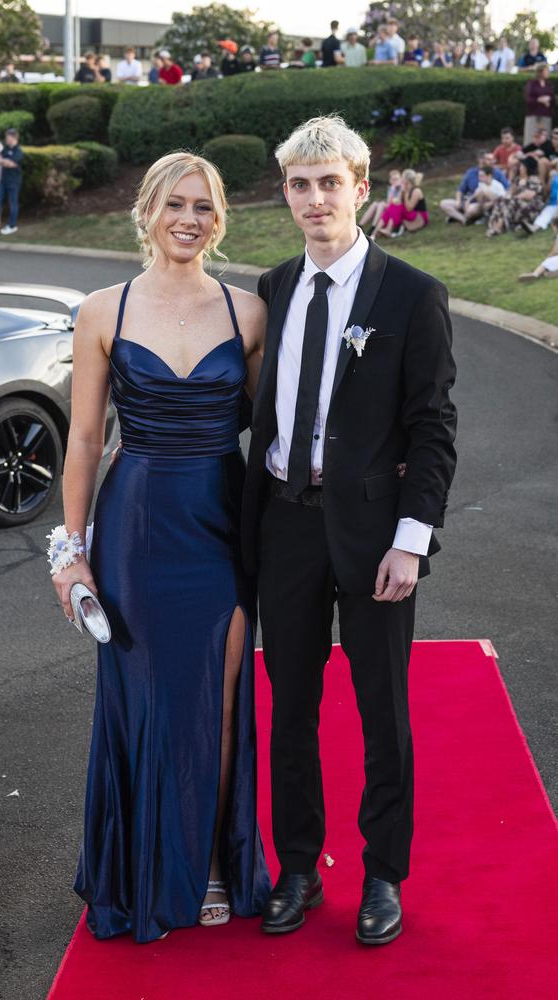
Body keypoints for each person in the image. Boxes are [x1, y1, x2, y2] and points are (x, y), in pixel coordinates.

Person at [240, 113, 457, 945]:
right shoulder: (273, 289)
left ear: (361, 191)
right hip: (286, 526)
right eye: (300, 184)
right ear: (286, 195)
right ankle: (297, 866)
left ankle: (383, 875)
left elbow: (434, 427)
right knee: (289, 706)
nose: (315, 198)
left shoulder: (412, 294)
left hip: (374, 537)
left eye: (331, 183)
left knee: (381, 712)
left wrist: (411, 537)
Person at [50, 150, 271, 942]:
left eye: (204, 206)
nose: (189, 219)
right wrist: (70, 550)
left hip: (220, 522)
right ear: (146, 211)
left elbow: (279, 425)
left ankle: (209, 861)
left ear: (219, 219)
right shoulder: (102, 310)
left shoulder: (248, 313)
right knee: (146, 703)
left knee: (217, 700)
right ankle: (144, 865)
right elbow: (82, 440)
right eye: (175, 204)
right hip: (137, 526)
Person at [439, 152, 509, 223]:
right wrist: (458, 201)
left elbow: (507, 189)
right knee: (444, 203)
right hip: (468, 202)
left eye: (492, 159)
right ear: (480, 160)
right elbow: (461, 189)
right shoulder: (471, 173)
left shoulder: (496, 172)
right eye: (488, 159)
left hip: (483, 204)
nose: (492, 162)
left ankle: (464, 216)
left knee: (471, 209)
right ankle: (463, 219)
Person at [487, 161, 544, 237]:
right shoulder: (517, 180)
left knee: (509, 202)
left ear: (527, 168)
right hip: (516, 204)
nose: (520, 168)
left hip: (530, 206)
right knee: (500, 200)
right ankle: (494, 226)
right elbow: (510, 192)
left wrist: (513, 197)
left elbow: (529, 195)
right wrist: (509, 196)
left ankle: (498, 227)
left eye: (522, 167)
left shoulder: (534, 179)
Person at [359, 168, 401, 233]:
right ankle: (360, 225)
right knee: (375, 204)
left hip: (395, 208)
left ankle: (373, 226)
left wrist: (393, 189)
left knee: (381, 204)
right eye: (393, 179)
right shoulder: (392, 188)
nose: (395, 181)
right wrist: (392, 189)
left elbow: (392, 202)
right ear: (390, 181)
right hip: (390, 206)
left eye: (397, 179)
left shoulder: (401, 189)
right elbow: (389, 201)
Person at [523, 64, 555, 146]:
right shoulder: (532, 84)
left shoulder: (549, 84)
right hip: (533, 114)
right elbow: (528, 98)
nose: (548, 72)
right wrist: (539, 100)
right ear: (540, 72)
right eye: (546, 71)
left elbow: (552, 98)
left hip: (546, 114)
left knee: (545, 138)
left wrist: (548, 101)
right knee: (531, 138)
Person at [520, 169, 558, 233]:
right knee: (546, 213)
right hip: (552, 204)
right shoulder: (555, 175)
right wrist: (550, 180)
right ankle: (534, 227)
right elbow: (548, 191)